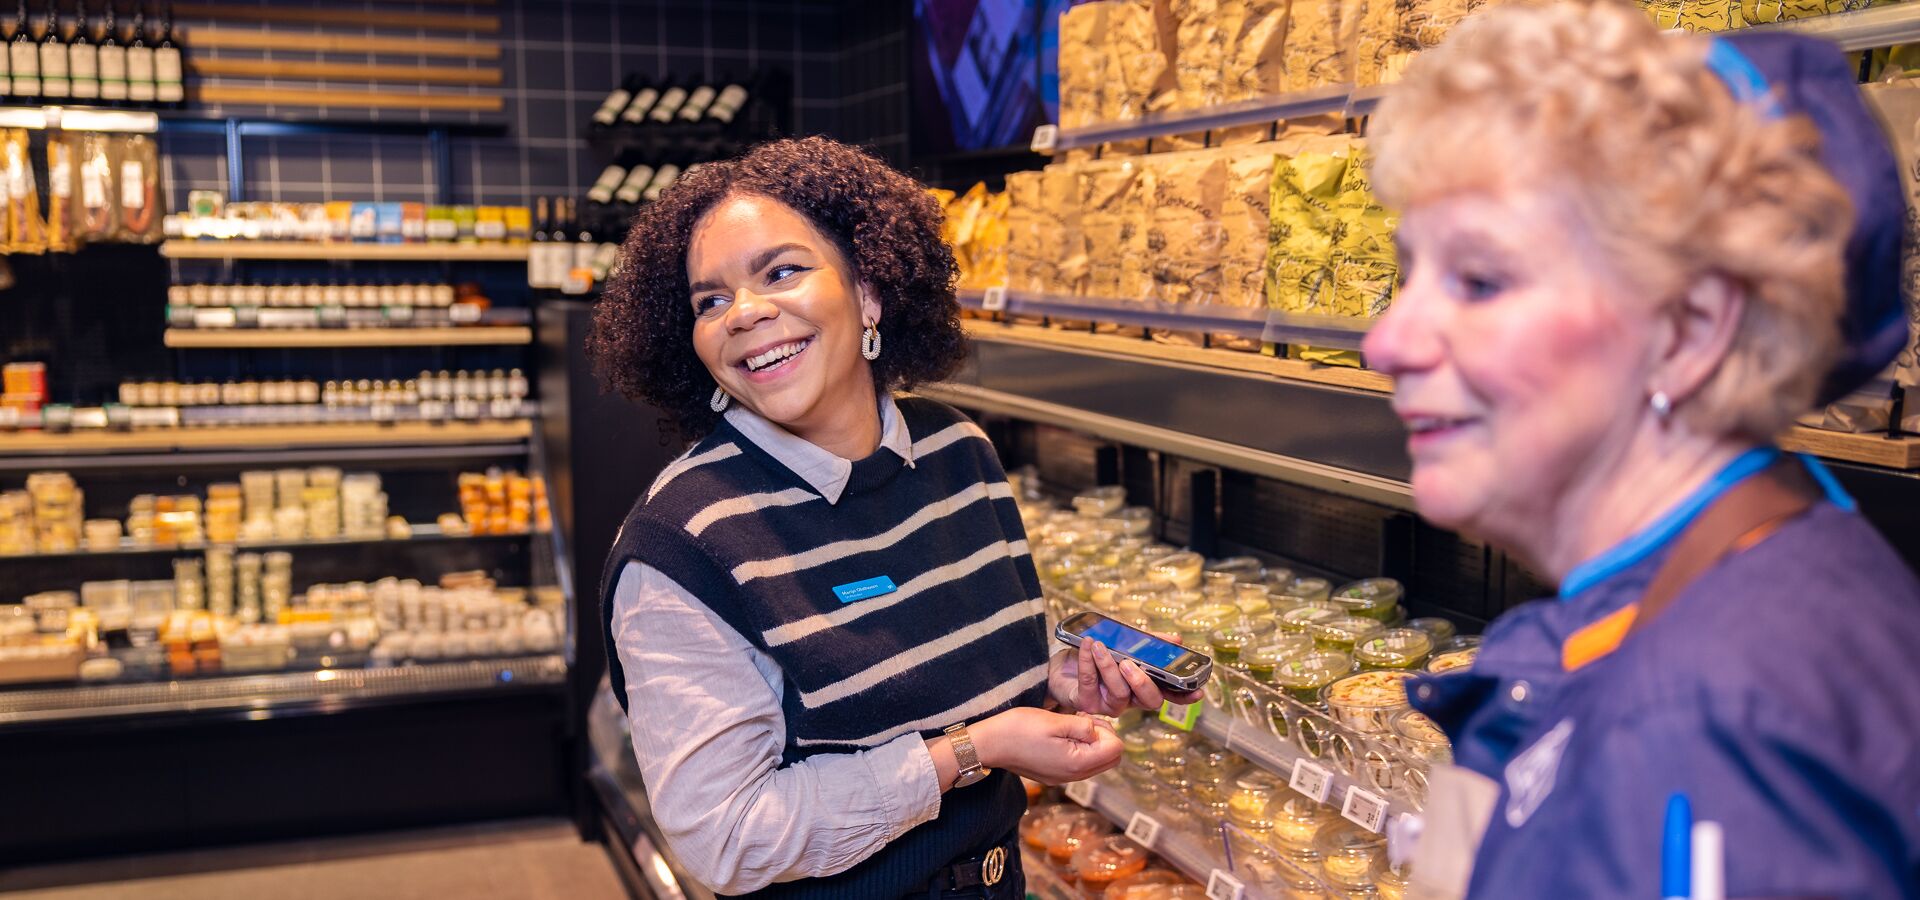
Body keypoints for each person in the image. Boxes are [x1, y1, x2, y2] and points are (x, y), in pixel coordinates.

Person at [1361, 2, 1920, 896]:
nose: (1386, 341)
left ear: (1688, 329)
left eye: (1479, 278)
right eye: (1406, 273)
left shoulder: (1714, 725)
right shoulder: (1755, 579)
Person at [587, 136, 1194, 898]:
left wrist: (1056, 684)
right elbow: (730, 838)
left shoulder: (958, 450)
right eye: (711, 300)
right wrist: (971, 751)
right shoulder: (682, 545)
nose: (743, 313)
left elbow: (937, 681)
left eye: (781, 272)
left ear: (868, 293)